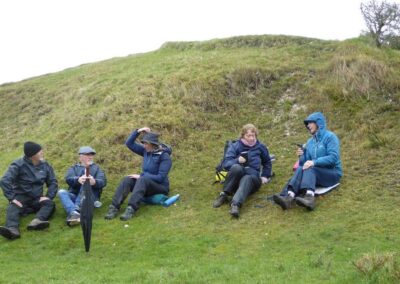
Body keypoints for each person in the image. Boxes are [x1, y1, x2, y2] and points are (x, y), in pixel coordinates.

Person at [273, 112, 343, 211]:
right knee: (302, 168)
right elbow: (303, 165)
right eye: (307, 124)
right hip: (316, 173)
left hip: (332, 173)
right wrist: (302, 156)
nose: (308, 125)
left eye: (310, 122)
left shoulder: (330, 137)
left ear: (318, 122)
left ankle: (309, 198)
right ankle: (288, 197)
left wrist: (314, 162)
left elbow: (333, 158)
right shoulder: (310, 142)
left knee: (311, 168)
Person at [105, 127, 172, 221]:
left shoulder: (164, 157)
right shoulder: (146, 151)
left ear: (153, 144)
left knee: (142, 179)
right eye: (143, 143)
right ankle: (114, 208)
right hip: (144, 183)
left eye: (146, 143)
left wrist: (142, 176)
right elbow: (129, 143)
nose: (144, 145)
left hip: (160, 187)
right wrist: (138, 131)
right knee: (127, 179)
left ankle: (131, 209)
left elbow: (160, 178)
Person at [0, 141, 58, 240]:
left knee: (50, 204)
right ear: (32, 155)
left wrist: (48, 196)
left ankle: (37, 221)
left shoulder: (45, 165)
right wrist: (12, 198)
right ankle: (12, 230)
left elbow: (53, 182)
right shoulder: (18, 165)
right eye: (40, 151)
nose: (42, 152)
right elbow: (4, 180)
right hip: (21, 198)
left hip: (37, 198)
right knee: (12, 207)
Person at [213, 124, 272, 218]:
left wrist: (265, 175)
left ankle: (235, 205)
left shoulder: (260, 146)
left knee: (247, 178)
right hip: (237, 178)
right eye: (249, 136)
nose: (252, 138)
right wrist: (237, 160)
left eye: (253, 135)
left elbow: (267, 162)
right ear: (243, 135)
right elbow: (226, 164)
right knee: (236, 167)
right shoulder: (235, 146)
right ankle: (224, 195)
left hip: (253, 178)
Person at [58, 146, 107, 226]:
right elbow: (68, 179)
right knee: (61, 192)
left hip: (90, 197)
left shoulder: (97, 168)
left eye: (92, 155)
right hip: (74, 195)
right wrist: (78, 180)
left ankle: (75, 211)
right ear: (80, 157)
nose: (90, 157)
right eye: (88, 155)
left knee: (86, 183)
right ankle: (75, 213)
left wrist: (94, 182)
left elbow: (103, 182)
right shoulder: (73, 168)